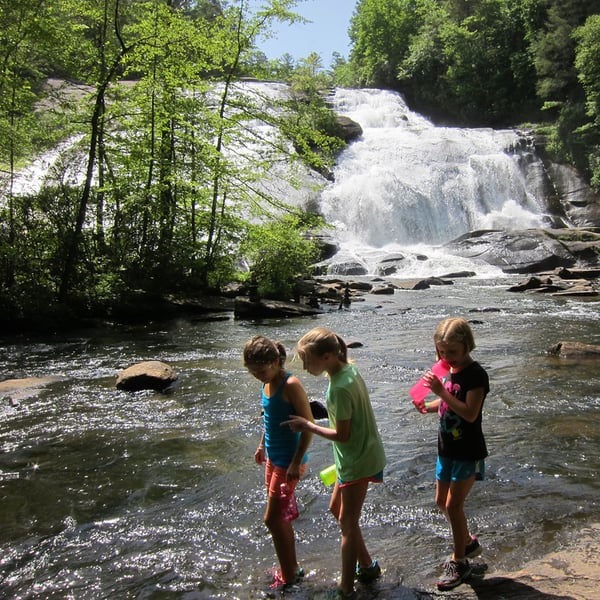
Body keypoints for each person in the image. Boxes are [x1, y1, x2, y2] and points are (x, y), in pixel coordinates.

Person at [283, 327, 386, 599]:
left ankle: (346, 589)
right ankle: (366, 566)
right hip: (357, 454)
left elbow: (342, 434)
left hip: (358, 459)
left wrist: (308, 425)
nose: (305, 367)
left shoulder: (339, 387)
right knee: (337, 509)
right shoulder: (347, 370)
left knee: (348, 524)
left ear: (328, 356)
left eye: (307, 361)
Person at [415, 317, 489, 591]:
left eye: (453, 353)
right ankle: (467, 543)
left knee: (453, 506)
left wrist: (441, 393)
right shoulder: (450, 371)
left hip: (468, 451)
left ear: (467, 346)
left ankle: (460, 562)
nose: (447, 358)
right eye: (442, 352)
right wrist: (430, 405)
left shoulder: (476, 375)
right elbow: (449, 401)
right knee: (441, 502)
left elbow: (469, 412)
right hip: (446, 449)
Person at [243, 335, 314, 590]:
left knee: (272, 520)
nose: (258, 376)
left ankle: (289, 577)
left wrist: (296, 463)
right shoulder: (267, 383)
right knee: (280, 519)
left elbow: (309, 427)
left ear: (275, 361)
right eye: (253, 372)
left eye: (261, 370)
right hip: (274, 457)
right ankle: (292, 568)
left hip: (289, 461)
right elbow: (269, 418)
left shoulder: (290, 384)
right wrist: (262, 445)